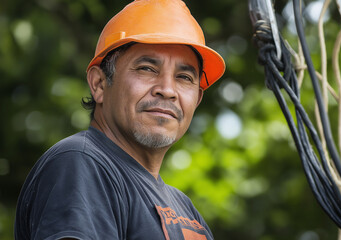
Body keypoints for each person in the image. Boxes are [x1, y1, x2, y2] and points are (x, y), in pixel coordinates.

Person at [14, 0, 225, 239]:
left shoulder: (186, 211)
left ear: (196, 100)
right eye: (147, 68)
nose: (167, 90)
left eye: (184, 77)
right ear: (99, 84)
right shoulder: (81, 163)